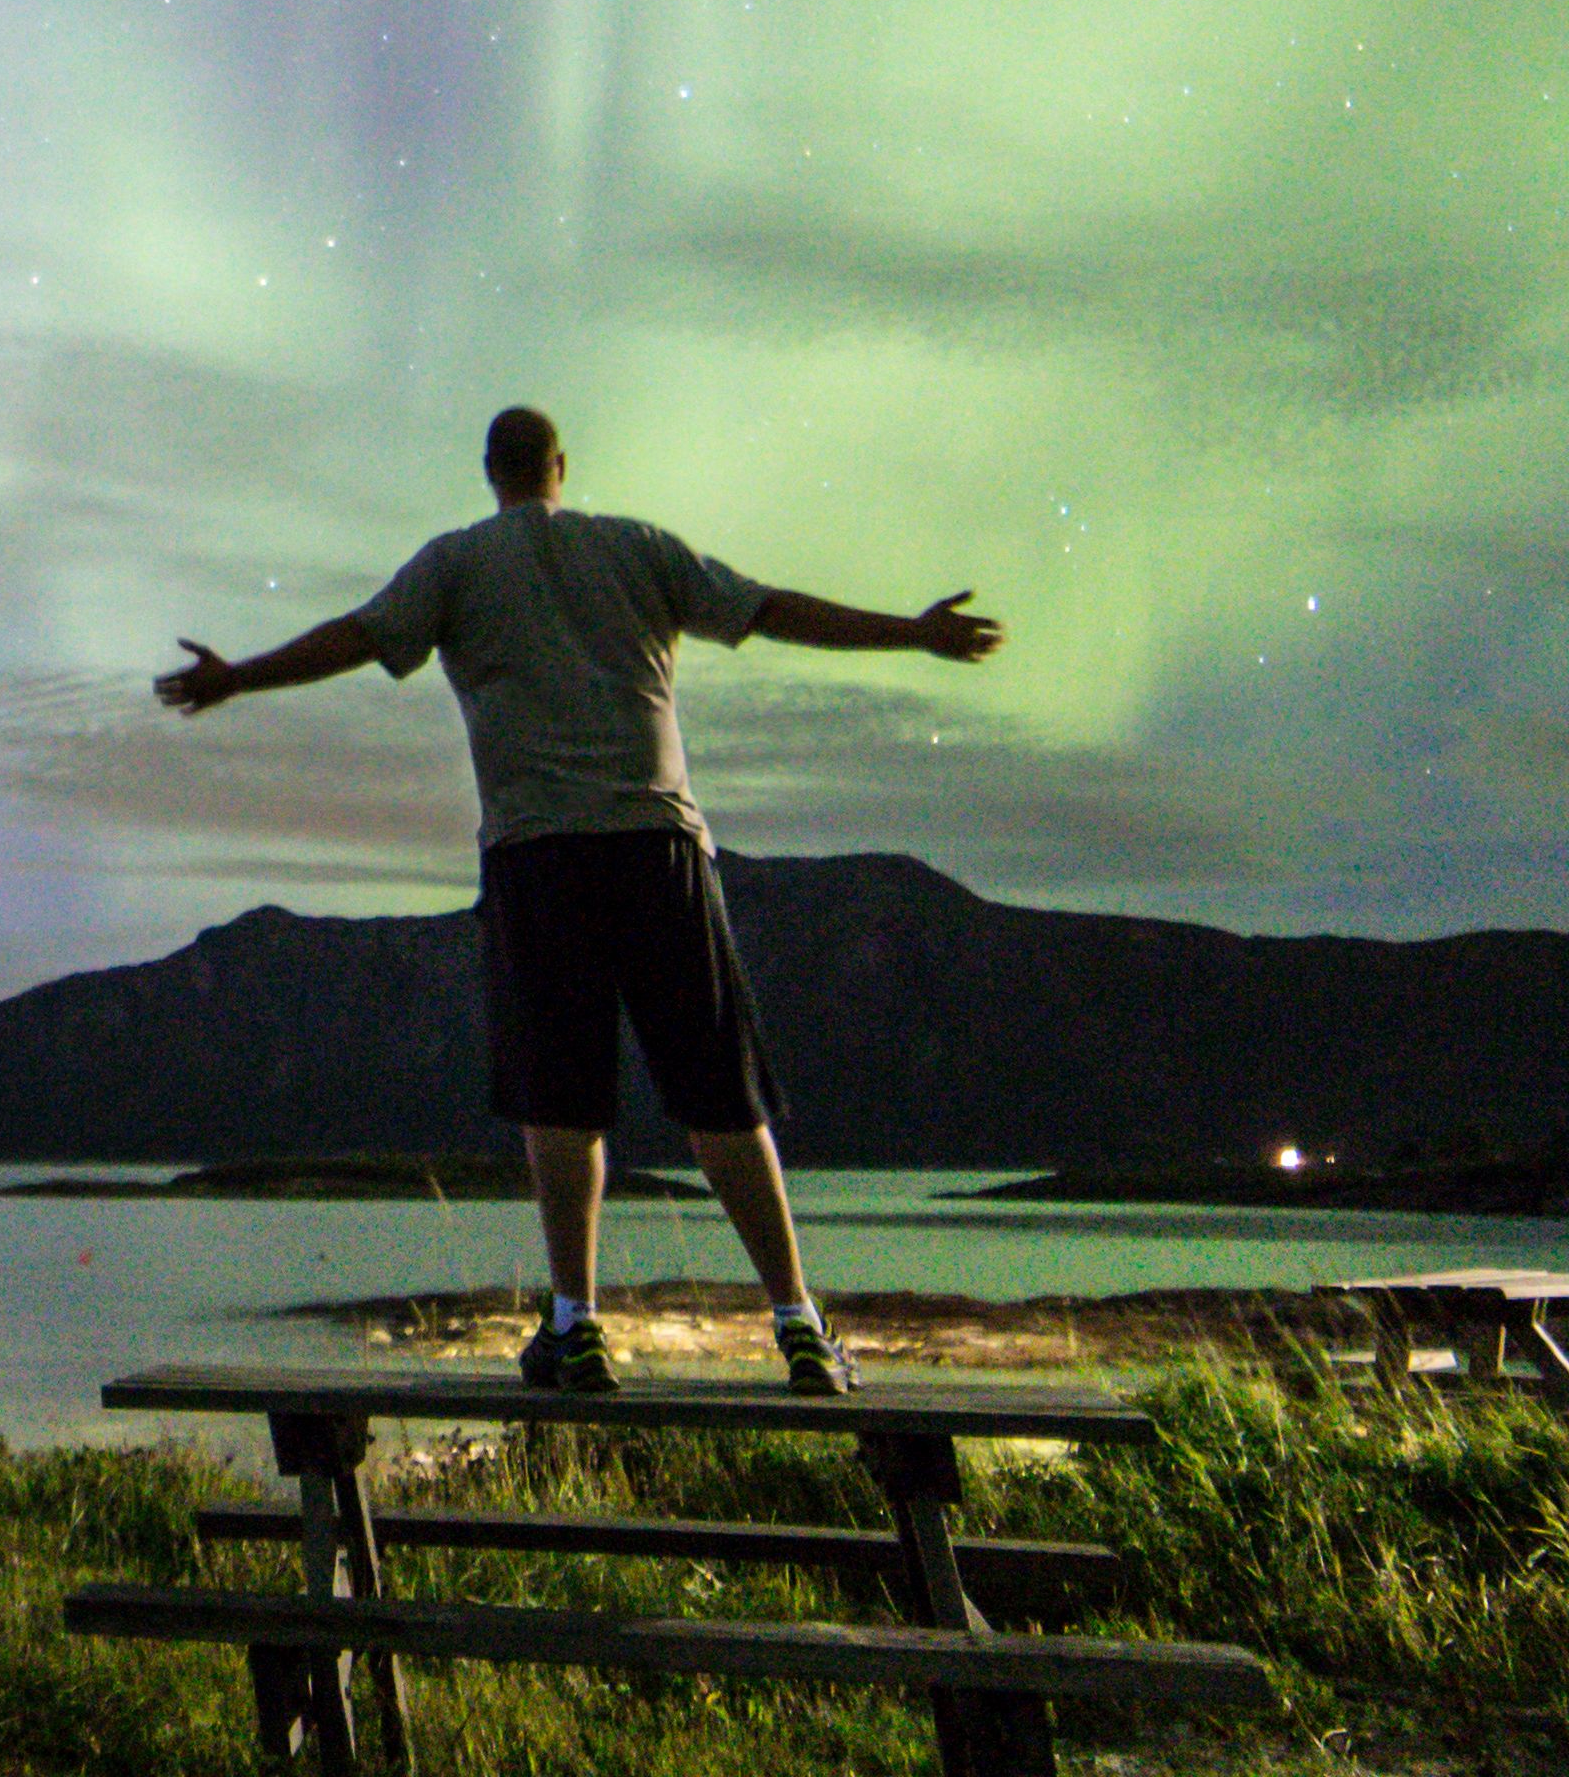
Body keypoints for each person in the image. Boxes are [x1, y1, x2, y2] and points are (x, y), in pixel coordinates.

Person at [154, 403, 1001, 1395]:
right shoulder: (640, 550)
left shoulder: (454, 564)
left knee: (561, 1102)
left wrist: (236, 680)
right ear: (562, 464)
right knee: (720, 1098)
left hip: (539, 856)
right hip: (659, 845)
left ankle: (577, 1322)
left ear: (490, 472)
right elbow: (773, 609)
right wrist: (915, 633)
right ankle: (798, 1323)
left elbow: (356, 636)